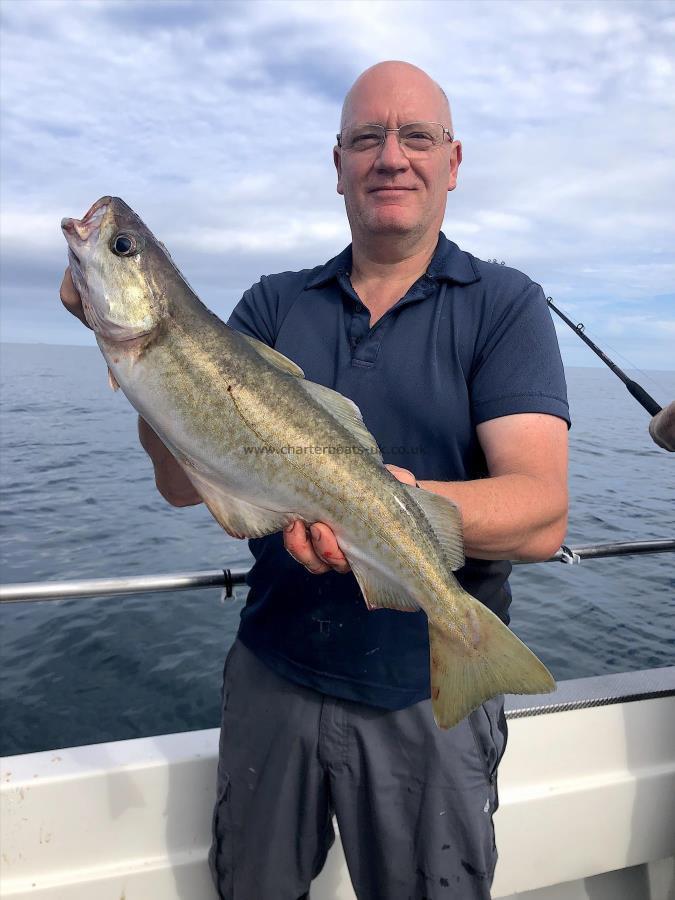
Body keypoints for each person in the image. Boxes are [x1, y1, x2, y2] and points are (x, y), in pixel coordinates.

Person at [61, 61, 569, 900]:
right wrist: (132, 361)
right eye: (367, 138)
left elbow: (541, 514)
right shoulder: (269, 305)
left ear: (453, 160)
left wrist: (392, 513)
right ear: (337, 164)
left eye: (416, 137)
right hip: (272, 676)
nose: (391, 157)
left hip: (424, 695)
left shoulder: (504, 304)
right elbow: (187, 487)